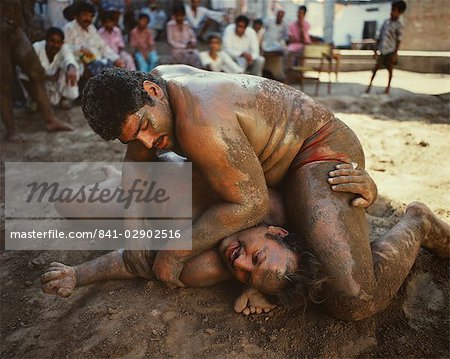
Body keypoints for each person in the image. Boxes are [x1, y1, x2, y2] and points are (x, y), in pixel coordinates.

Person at [79, 65, 450, 320]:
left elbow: (251, 205)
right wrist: (134, 235)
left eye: (145, 126)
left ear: (151, 91)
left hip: (314, 156)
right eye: (134, 136)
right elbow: (137, 165)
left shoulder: (199, 120)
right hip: (254, 175)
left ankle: (418, 222)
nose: (148, 141)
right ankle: (277, 272)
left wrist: (175, 253)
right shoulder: (155, 92)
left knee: (355, 299)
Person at [41, 156, 378, 315]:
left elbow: (138, 261)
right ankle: (120, 174)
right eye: (256, 256)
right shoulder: (277, 202)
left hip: (157, 210)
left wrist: (77, 274)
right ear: (276, 231)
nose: (240, 261)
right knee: (66, 203)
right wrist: (365, 189)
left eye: (246, 274)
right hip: (155, 180)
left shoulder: (206, 267)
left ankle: (119, 178)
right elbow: (321, 179)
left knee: (68, 204)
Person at [1, 0, 73, 141]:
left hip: (14, 28)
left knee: (36, 71)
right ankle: (11, 130)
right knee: (4, 82)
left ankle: (50, 120)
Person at [20, 27, 80, 110]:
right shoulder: (36, 47)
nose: (55, 45)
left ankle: (64, 98)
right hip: (39, 82)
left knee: (71, 68)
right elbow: (27, 68)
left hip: (55, 85)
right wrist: (48, 77)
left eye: (58, 42)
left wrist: (71, 68)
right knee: (23, 74)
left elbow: (69, 59)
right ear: (46, 40)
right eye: (52, 41)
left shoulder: (64, 48)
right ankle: (33, 99)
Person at [63, 1, 124, 79]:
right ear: (77, 16)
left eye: (90, 16)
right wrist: (79, 49)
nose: (88, 18)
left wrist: (116, 58)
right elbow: (64, 48)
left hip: (97, 63)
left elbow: (103, 47)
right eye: (84, 15)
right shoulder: (69, 28)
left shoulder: (91, 28)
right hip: (79, 64)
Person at [366, 0, 407, 95]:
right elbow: (379, 37)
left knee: (390, 70)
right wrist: (375, 50)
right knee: (375, 69)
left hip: (390, 51)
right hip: (382, 50)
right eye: (391, 9)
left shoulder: (398, 25)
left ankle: (387, 89)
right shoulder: (386, 22)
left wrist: (395, 53)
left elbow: (399, 40)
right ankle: (369, 87)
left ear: (399, 12)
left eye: (394, 10)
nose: (391, 12)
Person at [166, 3, 201, 68]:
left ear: (184, 15)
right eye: (177, 15)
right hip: (176, 50)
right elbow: (171, 41)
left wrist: (192, 42)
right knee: (181, 55)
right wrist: (184, 46)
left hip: (188, 49)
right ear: (174, 16)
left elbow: (193, 37)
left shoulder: (187, 24)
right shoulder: (170, 25)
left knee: (196, 54)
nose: (179, 17)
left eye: (181, 15)